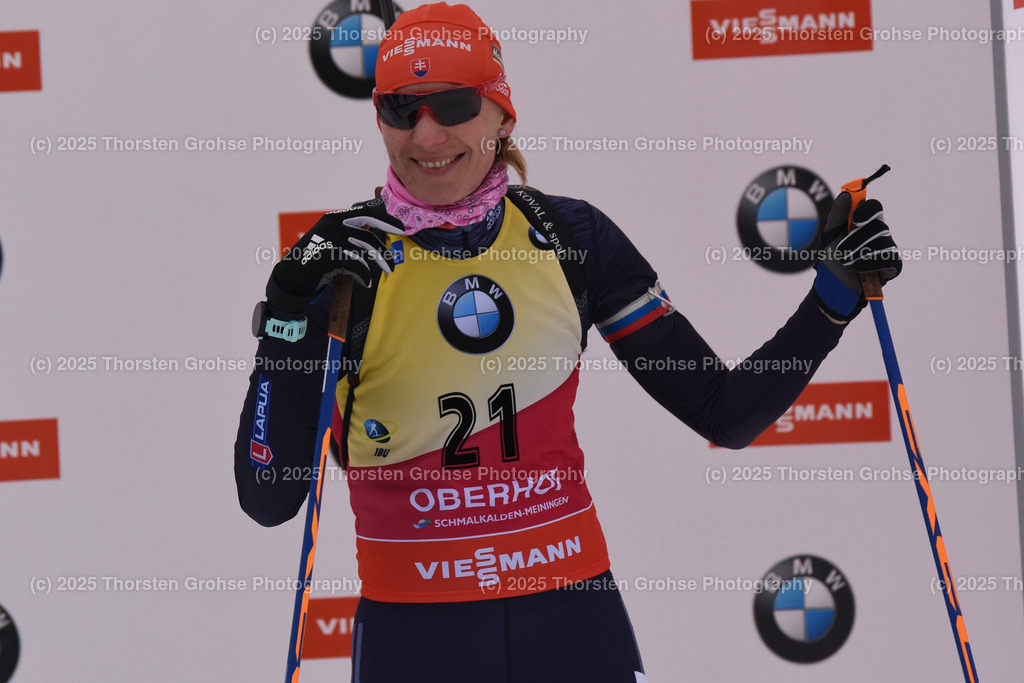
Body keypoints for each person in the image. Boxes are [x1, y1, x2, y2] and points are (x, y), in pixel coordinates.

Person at [234, 3, 901, 681]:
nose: (426, 135)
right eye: (402, 109)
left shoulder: (571, 237)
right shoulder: (345, 260)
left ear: (502, 115)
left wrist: (832, 299)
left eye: (454, 104)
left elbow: (723, 411)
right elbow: (268, 495)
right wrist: (288, 312)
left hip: (574, 625)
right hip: (417, 637)